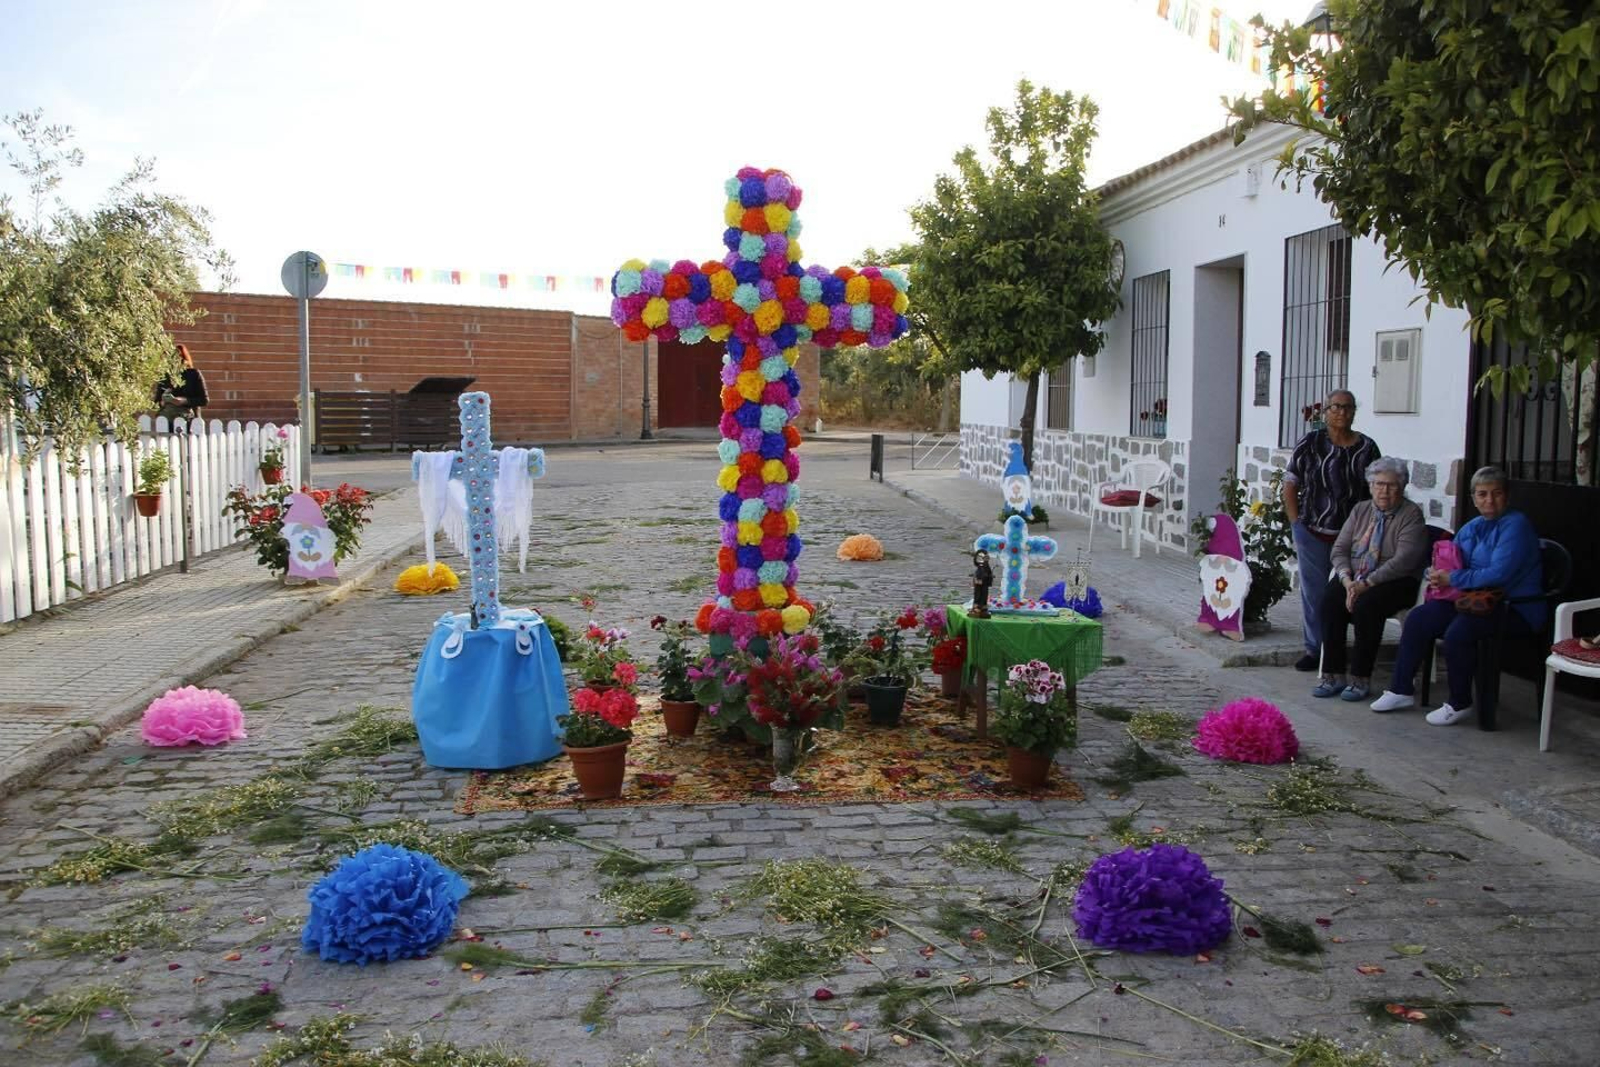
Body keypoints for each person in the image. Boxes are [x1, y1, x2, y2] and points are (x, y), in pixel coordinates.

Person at [1370, 467, 1544, 725]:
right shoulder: (1473, 526)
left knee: (1459, 632)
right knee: (1419, 618)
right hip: (1473, 600)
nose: (1489, 500)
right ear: (1473, 497)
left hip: (1512, 605)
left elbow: (1499, 574)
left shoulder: (1515, 525)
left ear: (1507, 496)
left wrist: (1453, 579)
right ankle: (1400, 689)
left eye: (1496, 493)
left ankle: (1460, 702)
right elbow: (1452, 561)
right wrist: (1435, 572)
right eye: (1482, 494)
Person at [1311, 457, 1428, 701]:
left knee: (1367, 606)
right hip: (1355, 576)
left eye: (1391, 485)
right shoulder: (1360, 510)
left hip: (1396, 580)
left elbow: (1405, 560)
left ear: (1402, 487)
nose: (1384, 490)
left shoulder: (1411, 514)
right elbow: (1339, 549)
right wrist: (1346, 579)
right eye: (1378, 484)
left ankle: (1360, 677)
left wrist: (1366, 584)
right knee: (1330, 601)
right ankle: (1333, 674)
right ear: (1370, 485)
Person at [1282, 389, 1381, 671]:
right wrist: (1295, 522)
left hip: (1353, 534)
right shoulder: (1311, 443)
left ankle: (1339, 648)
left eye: (1348, 407)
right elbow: (1291, 482)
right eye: (1336, 407)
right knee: (1314, 592)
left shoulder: (1367, 448)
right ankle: (1315, 649)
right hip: (1312, 529)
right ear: (1324, 411)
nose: (1342, 412)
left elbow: (1376, 489)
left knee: (1347, 590)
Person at [154, 343, 208, 424]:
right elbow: (157, 402)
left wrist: (184, 401)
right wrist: (163, 401)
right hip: (168, 420)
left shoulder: (193, 374)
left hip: (190, 420)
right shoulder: (165, 376)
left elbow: (204, 400)